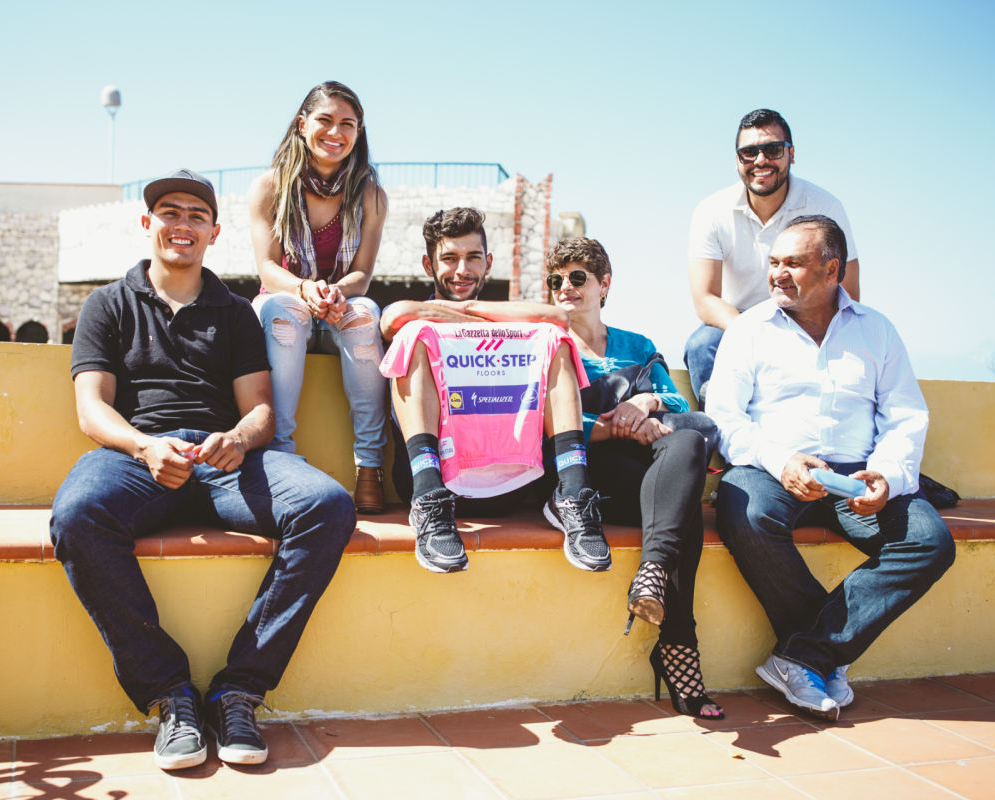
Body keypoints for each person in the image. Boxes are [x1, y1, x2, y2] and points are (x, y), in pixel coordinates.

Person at [51, 169, 355, 770]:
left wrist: (237, 440)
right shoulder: (107, 304)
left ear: (214, 233)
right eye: (170, 212)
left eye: (196, 215)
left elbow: (260, 411)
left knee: (327, 505)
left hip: (225, 463)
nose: (182, 224)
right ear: (148, 223)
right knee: (77, 515)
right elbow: (92, 409)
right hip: (138, 459)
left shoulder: (235, 312)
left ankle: (238, 690)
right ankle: (170, 694)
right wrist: (144, 447)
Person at [707, 215, 954, 720]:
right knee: (746, 513)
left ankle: (804, 657)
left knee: (929, 542)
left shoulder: (877, 330)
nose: (777, 273)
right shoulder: (749, 328)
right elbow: (725, 419)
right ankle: (819, 657)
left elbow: (905, 416)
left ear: (831, 269)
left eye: (793, 263)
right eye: (774, 262)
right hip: (771, 468)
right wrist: (782, 460)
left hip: (857, 475)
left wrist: (886, 475)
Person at [546, 237, 723, 719]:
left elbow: (679, 404)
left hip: (647, 468)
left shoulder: (637, 345)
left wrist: (644, 402)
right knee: (683, 507)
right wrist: (613, 426)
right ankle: (678, 646)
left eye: (577, 277)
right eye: (556, 280)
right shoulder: (549, 343)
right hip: (588, 476)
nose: (565, 287)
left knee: (689, 439)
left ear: (604, 284)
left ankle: (652, 573)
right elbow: (544, 420)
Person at [380, 207, 608, 574]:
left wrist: (465, 310)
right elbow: (394, 318)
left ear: (488, 263)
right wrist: (467, 319)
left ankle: (573, 492)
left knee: (554, 339)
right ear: (427, 265)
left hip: (510, 484)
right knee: (413, 335)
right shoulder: (417, 315)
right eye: (449, 258)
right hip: (435, 485)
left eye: (473, 257)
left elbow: (558, 318)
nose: (462, 270)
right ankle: (427, 499)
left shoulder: (488, 310)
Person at [247, 81, 389, 514]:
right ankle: (281, 457)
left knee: (366, 313)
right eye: (325, 120)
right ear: (302, 124)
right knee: (283, 310)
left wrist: (335, 293)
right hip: (285, 302)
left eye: (348, 124)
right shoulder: (270, 186)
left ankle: (369, 469)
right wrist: (306, 289)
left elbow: (361, 275)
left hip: (339, 307)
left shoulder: (371, 195)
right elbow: (267, 268)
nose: (336, 132)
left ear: (359, 132)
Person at [685, 108, 860, 406]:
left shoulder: (825, 206)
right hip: (738, 322)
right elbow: (705, 299)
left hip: (806, 319)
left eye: (773, 150)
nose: (760, 161)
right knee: (701, 345)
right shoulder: (711, 211)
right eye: (749, 153)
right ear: (737, 160)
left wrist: (798, 331)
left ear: (791, 154)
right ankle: (720, 422)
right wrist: (755, 331)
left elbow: (849, 292)